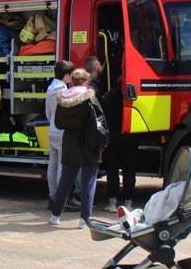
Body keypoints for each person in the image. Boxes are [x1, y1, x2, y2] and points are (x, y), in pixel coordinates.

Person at [49, 68, 108, 229]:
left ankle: (55, 216)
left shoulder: (62, 99)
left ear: (72, 81)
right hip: (89, 144)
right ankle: (84, 219)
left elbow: (58, 123)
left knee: (65, 181)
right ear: (86, 81)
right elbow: (98, 123)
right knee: (88, 182)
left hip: (69, 143)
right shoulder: (90, 99)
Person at [101, 79, 136, 213]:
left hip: (112, 139)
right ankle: (128, 202)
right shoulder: (133, 97)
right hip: (130, 138)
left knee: (112, 171)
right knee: (129, 171)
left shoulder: (108, 97)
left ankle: (112, 202)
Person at [45, 60, 74, 210]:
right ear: (67, 75)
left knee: (52, 164)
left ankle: (52, 196)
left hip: (52, 129)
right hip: (63, 131)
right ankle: (61, 199)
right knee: (62, 166)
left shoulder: (50, 88)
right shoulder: (64, 90)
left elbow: (48, 113)